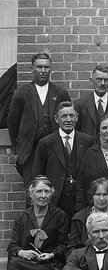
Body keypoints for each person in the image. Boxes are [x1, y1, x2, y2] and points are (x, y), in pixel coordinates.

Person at [4, 176, 69, 270]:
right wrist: (22, 253)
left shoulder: (60, 215)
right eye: (39, 191)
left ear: (52, 193)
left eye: (47, 191)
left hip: (49, 264)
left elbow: (63, 245)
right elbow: (13, 245)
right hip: (26, 262)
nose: (43, 195)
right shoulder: (22, 217)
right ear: (31, 193)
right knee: (15, 263)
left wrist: (51, 254)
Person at [8, 53, 72, 185]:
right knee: (32, 190)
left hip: (55, 148)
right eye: (39, 67)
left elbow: (68, 119)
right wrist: (17, 149)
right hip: (30, 151)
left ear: (50, 69)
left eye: (46, 67)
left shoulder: (60, 93)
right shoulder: (21, 93)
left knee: (55, 187)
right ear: (33, 68)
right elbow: (13, 123)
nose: (43, 71)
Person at [36, 100, 93, 216]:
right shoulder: (46, 143)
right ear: (57, 119)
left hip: (81, 200)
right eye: (64, 116)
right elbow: (38, 174)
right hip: (56, 200)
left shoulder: (88, 141)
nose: (68, 120)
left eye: (71, 115)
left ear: (77, 117)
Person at [68, 177, 108, 250]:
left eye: (105, 194)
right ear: (92, 196)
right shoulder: (79, 218)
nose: (101, 198)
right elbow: (71, 248)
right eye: (98, 194)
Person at [74, 64, 108, 139]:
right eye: (99, 79)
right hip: (87, 147)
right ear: (91, 80)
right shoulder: (80, 103)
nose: (103, 83)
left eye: (106, 80)